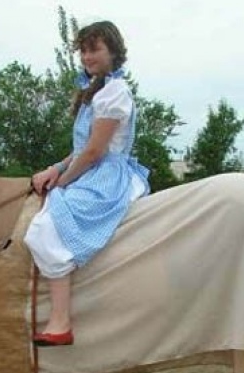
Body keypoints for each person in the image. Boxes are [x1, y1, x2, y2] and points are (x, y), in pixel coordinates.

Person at [24, 20, 150, 347]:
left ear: (113, 51)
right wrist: (54, 169)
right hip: (91, 167)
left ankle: (61, 322)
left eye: (94, 49)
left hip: (107, 175)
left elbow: (95, 152)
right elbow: (81, 149)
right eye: (83, 50)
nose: (87, 56)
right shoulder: (96, 91)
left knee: (45, 228)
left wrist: (63, 183)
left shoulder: (115, 92)